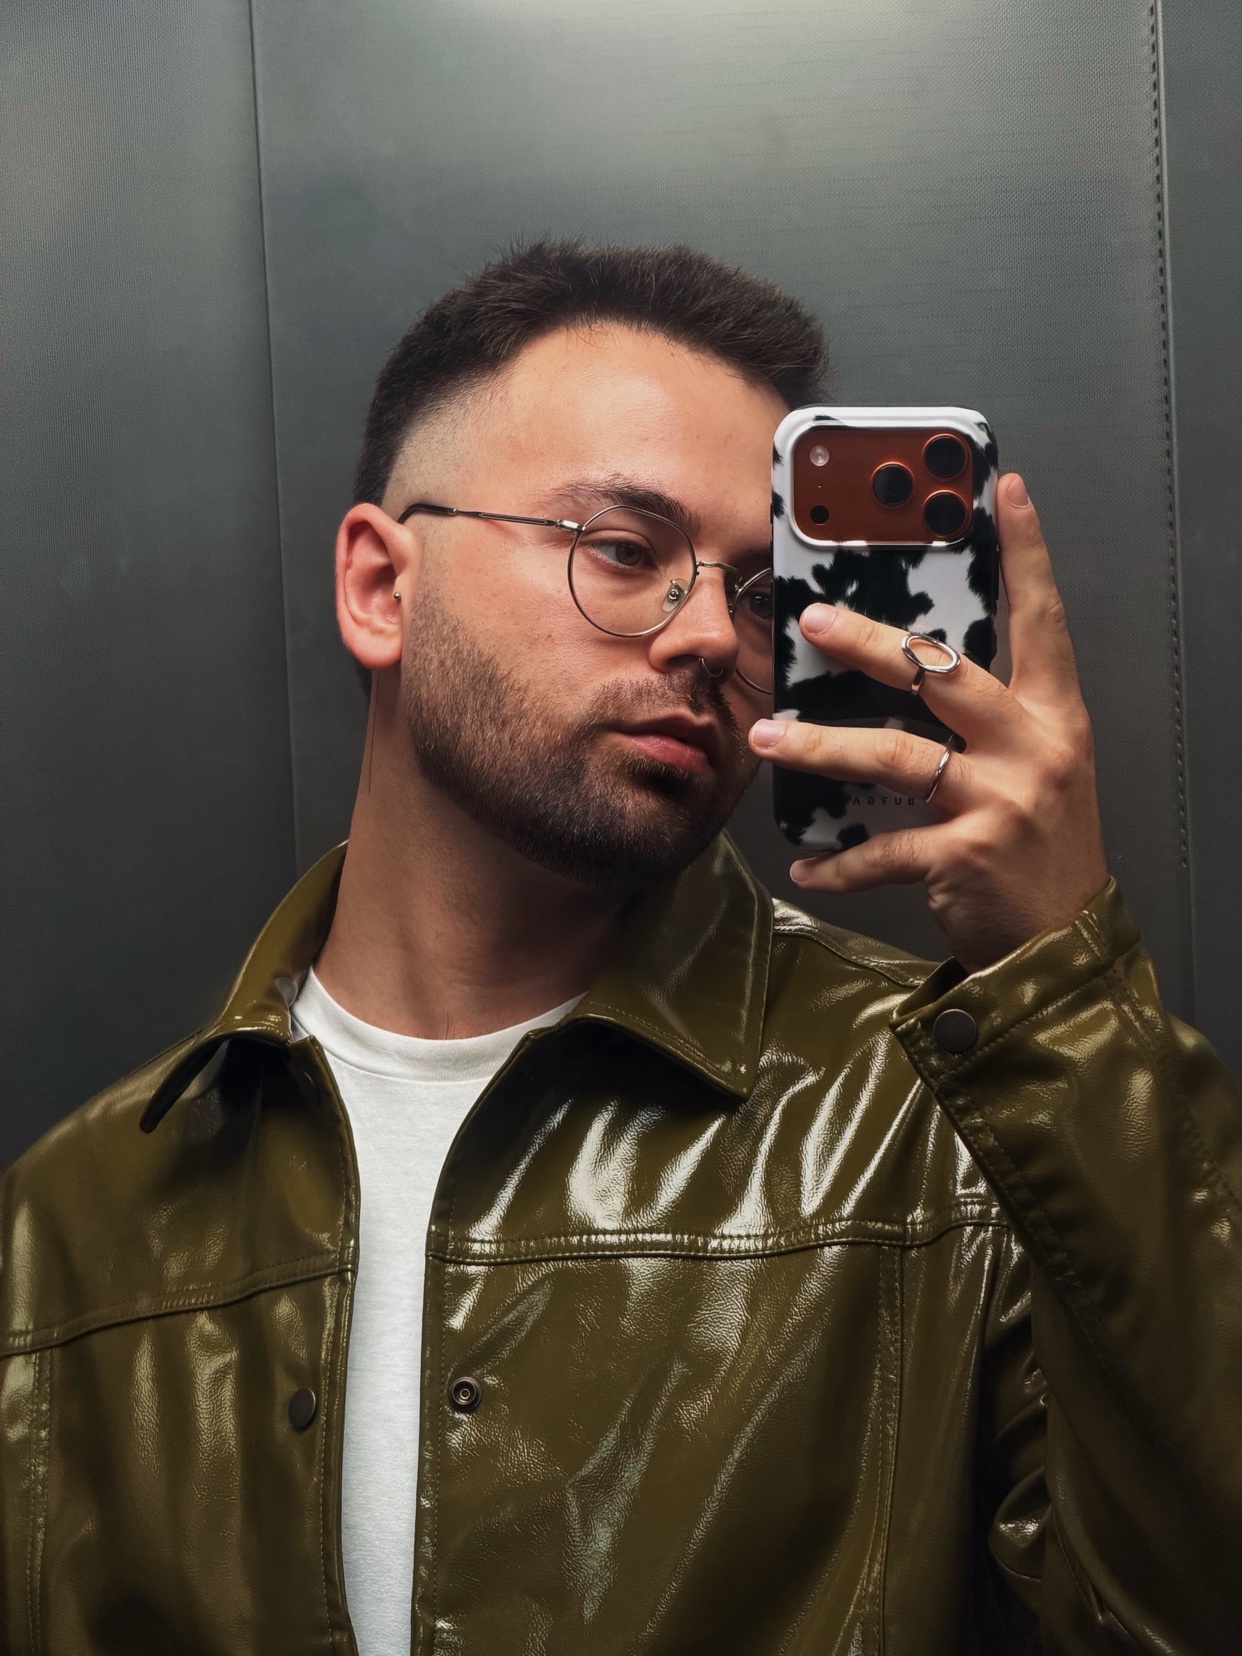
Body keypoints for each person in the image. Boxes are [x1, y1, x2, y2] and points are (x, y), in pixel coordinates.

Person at [1, 241, 1238, 1656]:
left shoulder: (952, 1124)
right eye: (623, 549)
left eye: (762, 594)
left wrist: (1065, 991)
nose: (710, 633)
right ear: (381, 588)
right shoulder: (71, 1229)